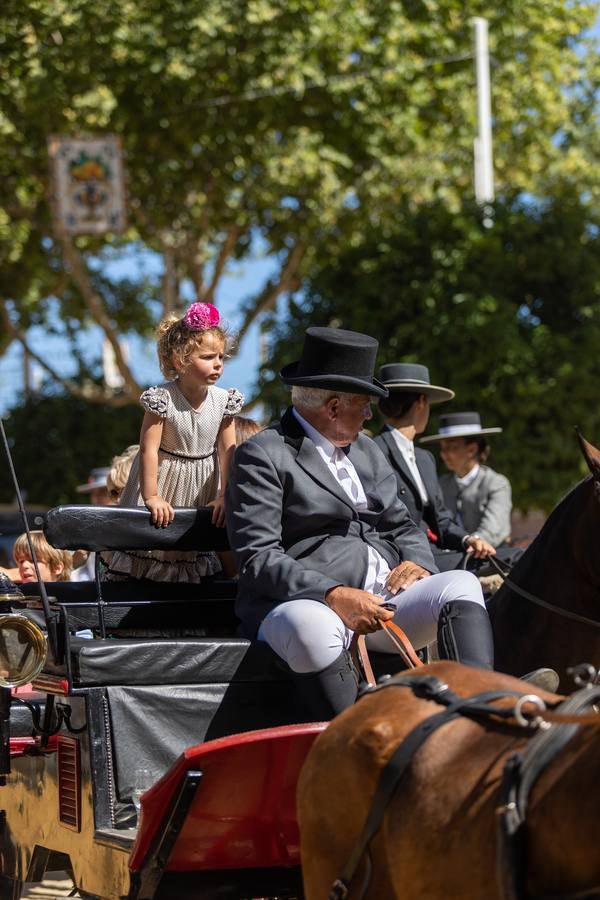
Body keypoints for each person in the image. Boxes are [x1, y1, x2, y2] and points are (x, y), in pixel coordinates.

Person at [225, 326, 497, 721]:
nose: (370, 414)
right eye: (364, 404)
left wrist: (419, 564)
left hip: (384, 602)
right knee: (313, 627)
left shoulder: (367, 450)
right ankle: (357, 743)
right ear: (333, 407)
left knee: (462, 584)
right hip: (302, 606)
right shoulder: (264, 454)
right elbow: (258, 558)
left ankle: (477, 716)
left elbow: (404, 526)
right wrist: (333, 594)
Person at [104, 301, 244, 583]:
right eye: (207, 357)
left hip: (201, 483)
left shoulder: (224, 400)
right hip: (167, 480)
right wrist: (152, 495)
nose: (217, 363)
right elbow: (148, 449)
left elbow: (228, 452)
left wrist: (223, 495)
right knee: (154, 550)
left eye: (221, 357)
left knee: (190, 557)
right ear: (181, 360)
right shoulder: (162, 399)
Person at [373, 364, 495, 572]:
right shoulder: (374, 450)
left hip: (439, 553)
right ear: (421, 402)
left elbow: (440, 519)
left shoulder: (424, 458)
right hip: (407, 560)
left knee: (514, 557)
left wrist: (467, 539)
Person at [421, 412, 514, 551]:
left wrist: (473, 543)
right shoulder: (441, 484)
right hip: (452, 557)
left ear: (472, 449)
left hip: (491, 556)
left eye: (451, 447)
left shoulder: (496, 483)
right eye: (442, 448)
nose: (443, 454)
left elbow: (493, 528)